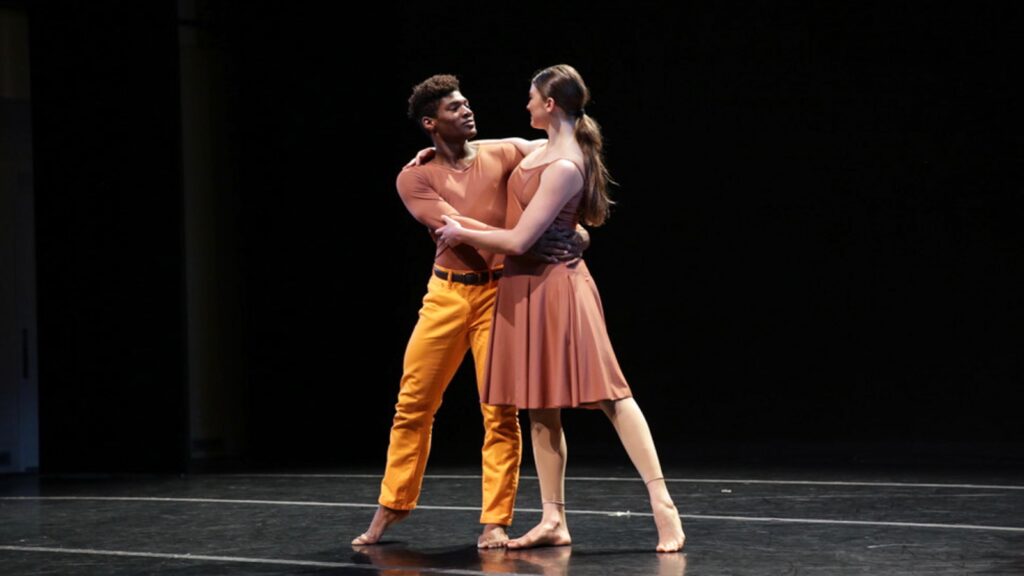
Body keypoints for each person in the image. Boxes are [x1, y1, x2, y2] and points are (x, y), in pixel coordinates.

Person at [436, 64, 686, 552]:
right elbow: (496, 146)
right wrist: (438, 154)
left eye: (531, 98)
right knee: (539, 406)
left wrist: (461, 230)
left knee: (611, 395)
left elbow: (517, 238)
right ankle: (553, 519)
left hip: (557, 289)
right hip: (523, 288)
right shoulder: (542, 146)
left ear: (549, 104)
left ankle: (664, 508)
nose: (525, 105)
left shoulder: (567, 164)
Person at [353, 74, 586, 549]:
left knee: (499, 411)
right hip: (445, 296)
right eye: (454, 108)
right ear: (430, 122)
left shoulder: (504, 151)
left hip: (499, 296)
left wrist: (573, 222)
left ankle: (495, 520)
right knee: (413, 404)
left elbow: (568, 146)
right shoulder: (414, 176)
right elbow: (452, 226)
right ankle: (390, 507)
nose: (467, 111)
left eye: (466, 104)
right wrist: (524, 233)